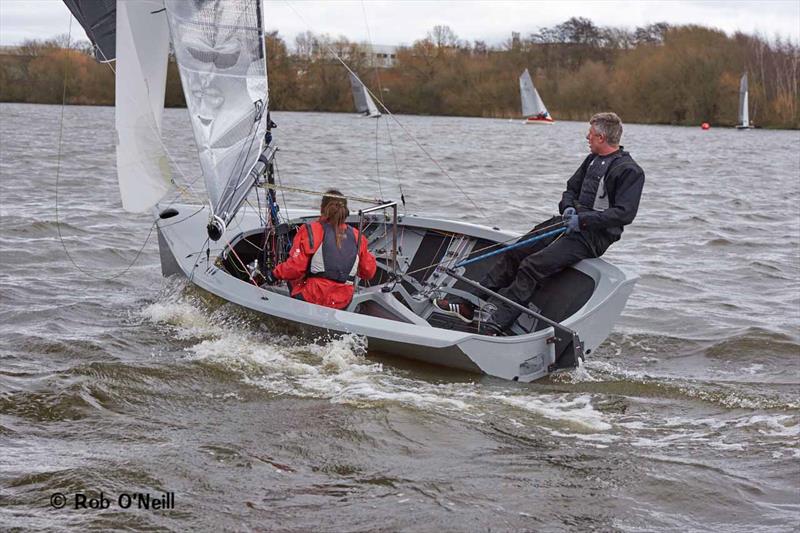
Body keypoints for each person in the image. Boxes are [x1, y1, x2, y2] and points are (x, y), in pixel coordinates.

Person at [435, 112, 645, 334]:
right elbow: (570, 188)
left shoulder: (629, 171)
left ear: (601, 138)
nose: (587, 137)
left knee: (533, 265)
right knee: (516, 252)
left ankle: (497, 323)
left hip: (593, 236)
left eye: (590, 134)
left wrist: (583, 221)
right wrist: (568, 208)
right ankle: (469, 304)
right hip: (566, 222)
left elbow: (624, 214)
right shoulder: (591, 159)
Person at [263, 190, 377, 310]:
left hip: (312, 296)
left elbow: (295, 268)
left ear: (322, 208)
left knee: (293, 278)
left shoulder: (311, 230)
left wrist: (273, 275)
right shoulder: (358, 237)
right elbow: (368, 272)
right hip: (342, 301)